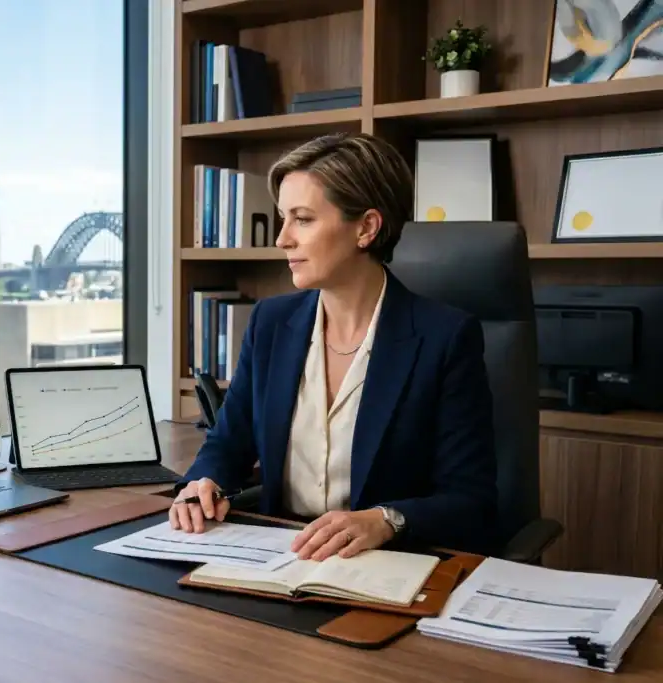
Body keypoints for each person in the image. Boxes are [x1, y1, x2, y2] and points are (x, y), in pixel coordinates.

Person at [169, 132, 498, 560]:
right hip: (278, 555)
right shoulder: (270, 324)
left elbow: (471, 499)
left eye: (302, 219)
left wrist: (384, 520)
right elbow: (228, 444)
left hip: (385, 565)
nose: (282, 239)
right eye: (283, 218)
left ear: (366, 227)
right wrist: (204, 482)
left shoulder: (445, 338)